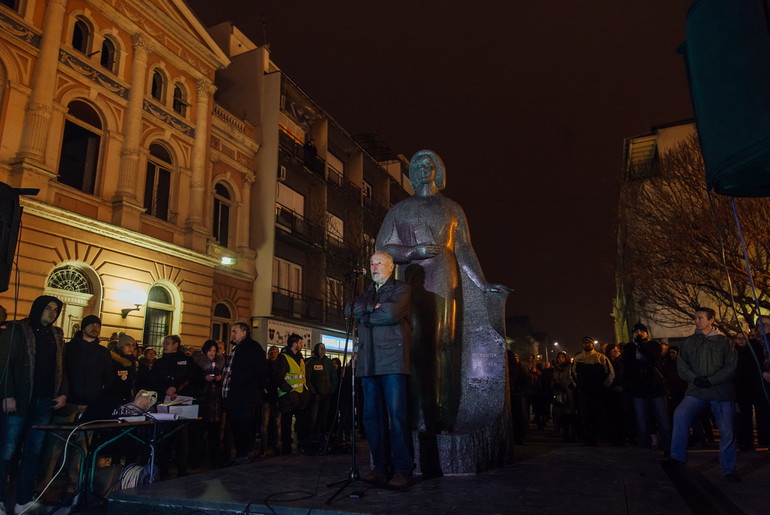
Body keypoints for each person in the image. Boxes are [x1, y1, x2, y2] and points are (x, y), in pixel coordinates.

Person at [376, 150, 509, 433]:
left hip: (445, 278)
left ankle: (442, 410)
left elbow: (463, 248)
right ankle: (418, 411)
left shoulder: (451, 208)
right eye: (417, 165)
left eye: (429, 164)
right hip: (413, 278)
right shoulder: (399, 209)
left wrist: (484, 284)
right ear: (412, 173)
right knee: (416, 343)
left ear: (437, 170)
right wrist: (413, 251)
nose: (423, 169)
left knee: (445, 342)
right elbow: (383, 248)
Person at [349, 251, 413, 487]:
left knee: (397, 417)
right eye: (371, 263)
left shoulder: (402, 289)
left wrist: (366, 312)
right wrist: (372, 308)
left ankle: (404, 469)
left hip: (392, 361)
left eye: (378, 263)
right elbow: (349, 311)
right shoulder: (367, 292)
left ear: (390, 266)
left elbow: (392, 313)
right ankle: (380, 468)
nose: (373, 267)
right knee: (371, 417)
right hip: (368, 362)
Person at [0, 295, 68, 513]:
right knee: (7, 451)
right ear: (38, 308)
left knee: (33, 452)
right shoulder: (17, 330)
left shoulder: (56, 335)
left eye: (56, 309)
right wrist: (7, 394)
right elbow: (4, 363)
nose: (52, 312)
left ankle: (23, 500)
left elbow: (61, 366)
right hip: (19, 400)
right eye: (48, 308)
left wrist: (62, 393)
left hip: (44, 401)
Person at [41, 315, 112, 492]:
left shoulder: (103, 352)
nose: (95, 328)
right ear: (83, 327)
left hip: (90, 406)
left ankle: (74, 482)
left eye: (98, 325)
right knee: (55, 446)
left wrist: (97, 394)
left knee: (82, 448)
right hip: (68, 404)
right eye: (92, 324)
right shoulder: (69, 348)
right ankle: (45, 481)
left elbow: (108, 377)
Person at [669, 307, 739, 482]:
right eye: (696, 318)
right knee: (680, 415)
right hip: (697, 390)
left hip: (721, 392)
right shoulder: (688, 342)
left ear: (711, 320)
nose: (697, 321)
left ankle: (728, 469)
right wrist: (695, 379)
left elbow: (731, 367)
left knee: (727, 431)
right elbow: (682, 365)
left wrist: (711, 380)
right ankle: (677, 457)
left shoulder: (725, 342)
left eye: (700, 318)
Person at [222, 322, 267, 464]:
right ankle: (240, 453)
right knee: (236, 427)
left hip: (245, 397)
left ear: (244, 332)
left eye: (235, 331)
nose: (232, 334)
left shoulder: (252, 348)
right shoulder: (236, 348)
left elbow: (261, 372)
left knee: (244, 427)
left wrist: (253, 388)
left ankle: (244, 453)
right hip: (235, 397)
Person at [622, 323, 671, 454]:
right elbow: (628, 364)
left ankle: (667, 446)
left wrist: (642, 345)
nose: (638, 333)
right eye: (636, 331)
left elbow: (652, 358)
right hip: (639, 389)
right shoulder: (629, 347)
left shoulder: (653, 345)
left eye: (641, 331)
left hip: (656, 388)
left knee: (662, 418)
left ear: (646, 334)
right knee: (642, 419)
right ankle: (646, 447)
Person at [571, 336, 614, 446]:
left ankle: (600, 436)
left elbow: (610, 373)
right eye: (585, 343)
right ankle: (589, 437)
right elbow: (572, 374)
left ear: (592, 344)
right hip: (584, 392)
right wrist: (579, 386)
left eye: (589, 343)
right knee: (586, 415)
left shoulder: (601, 357)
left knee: (599, 413)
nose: (587, 344)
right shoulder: (578, 358)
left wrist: (604, 387)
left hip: (598, 391)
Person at [733, 321, 770, 451]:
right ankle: (747, 441)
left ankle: (764, 439)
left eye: (744, 338)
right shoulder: (734, 352)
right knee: (744, 415)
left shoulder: (755, 347)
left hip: (756, 385)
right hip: (742, 387)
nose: (741, 341)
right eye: (739, 338)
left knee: (762, 412)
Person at [275, 334, 311, 455]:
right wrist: (289, 389)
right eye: (300, 343)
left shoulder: (300, 358)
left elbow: (302, 377)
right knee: (286, 424)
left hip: (300, 396)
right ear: (294, 344)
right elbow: (279, 378)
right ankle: (286, 449)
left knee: (301, 423)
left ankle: (302, 445)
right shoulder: (283, 358)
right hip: (287, 396)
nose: (302, 345)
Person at [191, 340, 225, 467]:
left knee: (214, 433)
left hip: (215, 404)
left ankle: (214, 459)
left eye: (214, 351)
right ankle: (197, 459)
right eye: (210, 350)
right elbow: (193, 380)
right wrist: (204, 379)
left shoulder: (219, 365)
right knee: (198, 433)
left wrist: (219, 379)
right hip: (202, 402)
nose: (212, 353)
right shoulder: (198, 363)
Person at [305, 342, 338, 441]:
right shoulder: (311, 362)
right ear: (316, 349)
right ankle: (312, 435)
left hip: (327, 394)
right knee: (314, 416)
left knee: (324, 415)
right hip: (316, 395)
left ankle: (323, 434)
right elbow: (307, 378)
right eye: (321, 348)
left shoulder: (328, 362)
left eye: (324, 348)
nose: (323, 350)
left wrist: (332, 389)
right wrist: (313, 391)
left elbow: (334, 377)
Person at [260, 345, 281, 457]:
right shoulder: (265, 364)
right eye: (271, 351)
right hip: (267, 396)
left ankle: (276, 445)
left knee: (276, 423)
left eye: (275, 351)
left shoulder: (280, 364)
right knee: (265, 422)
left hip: (276, 396)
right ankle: (264, 447)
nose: (273, 353)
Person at [551, 351, 577, 442]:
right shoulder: (556, 368)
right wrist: (554, 384)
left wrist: (566, 385)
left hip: (568, 393)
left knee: (570, 415)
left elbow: (572, 379)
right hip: (559, 393)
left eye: (562, 357)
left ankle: (573, 435)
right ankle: (565, 435)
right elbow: (554, 378)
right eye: (559, 357)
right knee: (561, 415)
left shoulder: (570, 367)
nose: (560, 359)